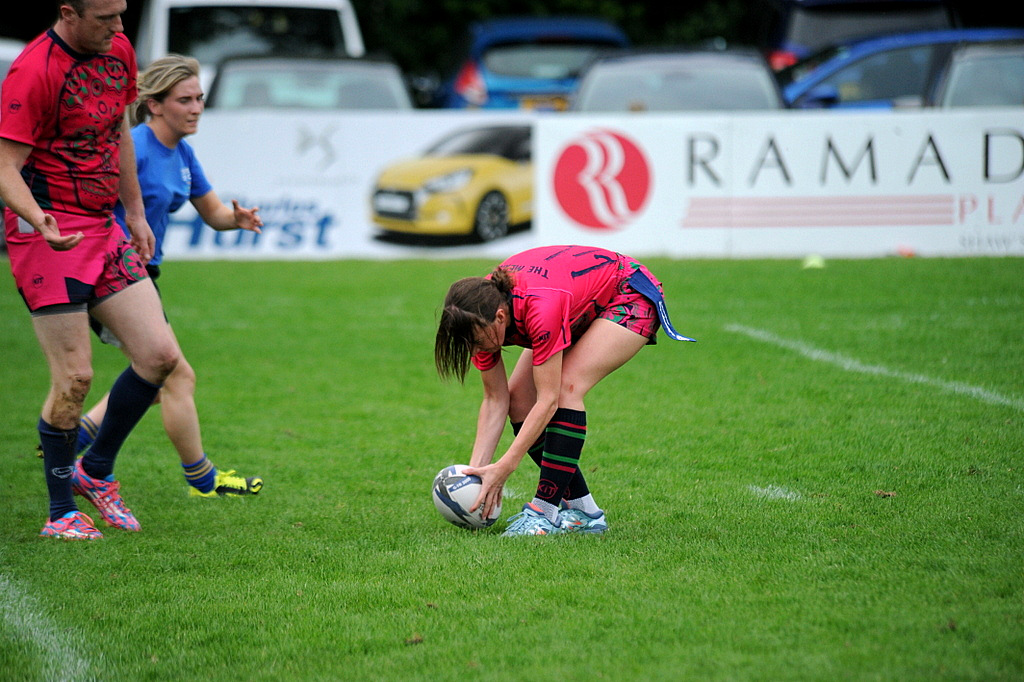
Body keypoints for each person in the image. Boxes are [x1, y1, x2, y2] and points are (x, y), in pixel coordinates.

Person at [0, 0, 181, 539]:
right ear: (69, 13)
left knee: (160, 357)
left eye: (122, 14)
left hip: (104, 227)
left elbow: (118, 130)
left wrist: (135, 212)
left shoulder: (117, 50)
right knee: (75, 378)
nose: (119, 27)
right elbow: (5, 166)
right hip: (46, 233)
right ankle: (61, 513)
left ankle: (95, 470)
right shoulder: (33, 71)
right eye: (106, 17)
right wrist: (39, 219)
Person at [71, 53, 265, 498]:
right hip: (113, 273)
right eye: (185, 100)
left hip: (142, 276)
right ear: (155, 105)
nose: (196, 108)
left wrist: (236, 219)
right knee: (176, 374)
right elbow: (90, 205)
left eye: (199, 98)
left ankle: (74, 439)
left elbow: (212, 212)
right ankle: (202, 479)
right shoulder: (134, 147)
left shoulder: (183, 153)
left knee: (156, 377)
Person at [434, 244, 695, 537]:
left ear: (501, 317)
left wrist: (506, 465)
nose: (474, 350)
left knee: (566, 386)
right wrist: (475, 477)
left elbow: (548, 400)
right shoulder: (475, 313)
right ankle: (585, 513)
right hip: (571, 302)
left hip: (627, 293)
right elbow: (496, 399)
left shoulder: (537, 308)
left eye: (476, 341)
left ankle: (543, 512)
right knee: (520, 399)